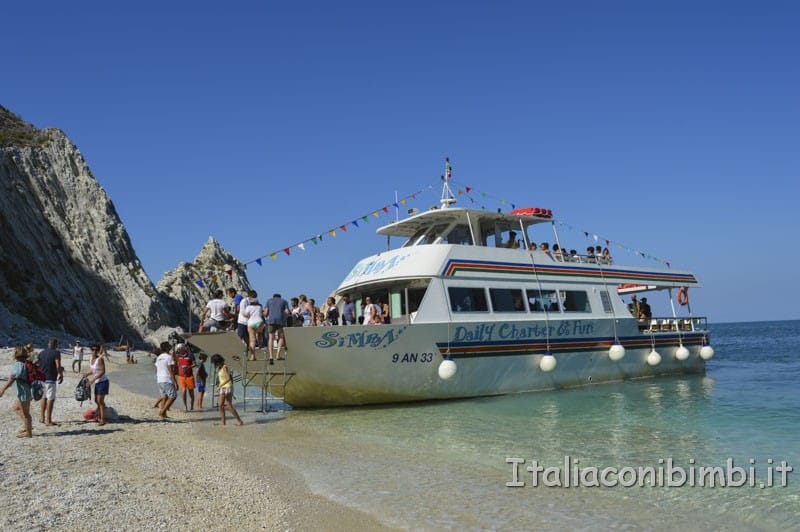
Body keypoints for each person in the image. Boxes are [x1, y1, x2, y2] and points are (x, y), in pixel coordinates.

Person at [0, 346, 34, 438]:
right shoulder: (25, 363)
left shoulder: (18, 365)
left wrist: (3, 389)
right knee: (16, 407)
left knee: (26, 413)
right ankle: (27, 426)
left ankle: (28, 432)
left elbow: (12, 378)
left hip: (23, 392)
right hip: (25, 390)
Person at [37, 338, 64, 426]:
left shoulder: (42, 352)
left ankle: (42, 417)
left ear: (48, 344)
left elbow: (35, 362)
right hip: (51, 379)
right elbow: (58, 365)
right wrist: (61, 374)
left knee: (43, 397)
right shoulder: (56, 353)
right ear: (56, 345)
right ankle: (48, 420)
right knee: (50, 399)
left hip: (41, 379)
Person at [210, 354, 243, 426]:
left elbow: (228, 379)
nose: (215, 365)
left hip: (227, 387)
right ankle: (223, 423)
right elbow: (222, 379)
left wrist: (220, 386)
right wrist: (219, 385)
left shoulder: (224, 367)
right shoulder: (220, 367)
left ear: (217, 362)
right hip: (223, 387)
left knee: (228, 406)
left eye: (215, 363)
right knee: (221, 405)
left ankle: (239, 421)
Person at [83, 344, 109, 426]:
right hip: (98, 382)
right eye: (92, 350)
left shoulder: (100, 359)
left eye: (96, 350)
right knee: (96, 401)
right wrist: (87, 374)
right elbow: (94, 370)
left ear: (98, 351)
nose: (94, 351)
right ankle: (102, 413)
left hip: (103, 382)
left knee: (100, 401)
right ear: (90, 350)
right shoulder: (90, 359)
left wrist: (92, 380)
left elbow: (103, 371)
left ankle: (102, 419)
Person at [154, 341, 178, 419]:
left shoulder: (159, 357)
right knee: (173, 396)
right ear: (167, 348)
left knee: (164, 397)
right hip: (166, 379)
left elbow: (157, 369)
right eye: (169, 346)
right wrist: (175, 382)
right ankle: (162, 412)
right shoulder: (169, 357)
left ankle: (163, 414)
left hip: (159, 379)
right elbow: (171, 370)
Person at [265, 293, 290, 363]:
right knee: (281, 337)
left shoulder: (269, 301)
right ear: (280, 297)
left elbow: (266, 312)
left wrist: (265, 315)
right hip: (281, 321)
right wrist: (286, 316)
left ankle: (270, 356)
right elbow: (287, 312)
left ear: (273, 297)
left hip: (271, 320)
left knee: (271, 338)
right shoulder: (284, 301)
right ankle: (278, 355)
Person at [243, 292, 264, 361]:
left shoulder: (248, 307)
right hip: (259, 322)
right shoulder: (260, 306)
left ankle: (253, 356)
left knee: (252, 340)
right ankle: (260, 346)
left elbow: (245, 315)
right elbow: (261, 314)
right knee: (260, 333)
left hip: (251, 323)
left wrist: (248, 315)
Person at [175, 344, 196, 411]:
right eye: (178, 349)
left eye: (180, 349)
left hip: (189, 376)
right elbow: (175, 363)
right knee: (183, 391)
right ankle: (185, 406)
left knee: (191, 393)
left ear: (183, 348)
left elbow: (195, 364)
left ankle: (192, 406)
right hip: (181, 376)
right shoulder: (178, 355)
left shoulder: (190, 355)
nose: (179, 351)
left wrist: (188, 367)